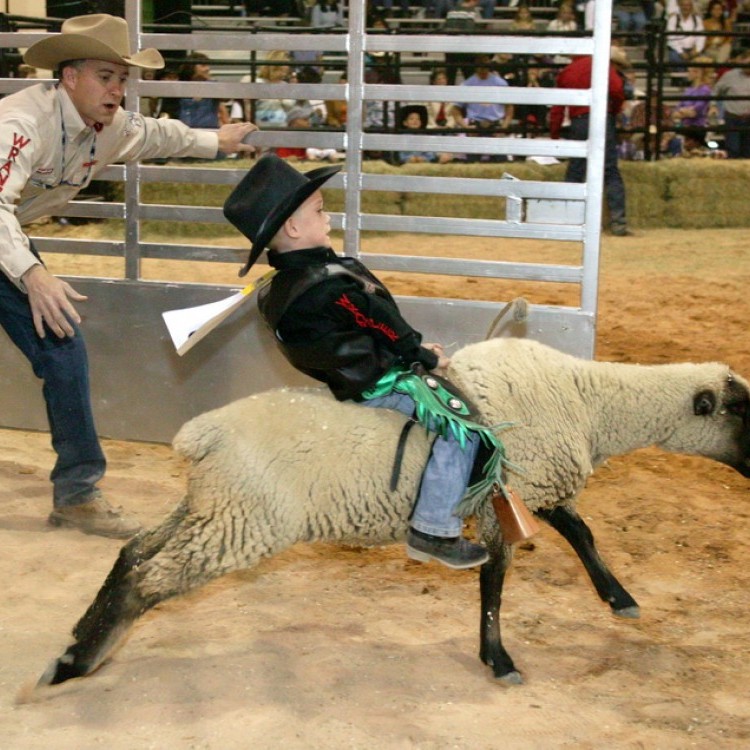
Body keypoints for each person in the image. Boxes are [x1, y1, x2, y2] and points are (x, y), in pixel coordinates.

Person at [0, 14, 256, 538]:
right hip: (9, 245)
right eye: (105, 76)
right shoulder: (20, 124)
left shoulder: (109, 126)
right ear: (69, 77)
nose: (117, 91)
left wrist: (218, 140)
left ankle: (76, 495)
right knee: (58, 334)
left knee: (61, 344)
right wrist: (33, 274)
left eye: (122, 78)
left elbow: (156, 134)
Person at [223, 155, 501, 570]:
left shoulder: (281, 285)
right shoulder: (328, 284)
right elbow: (383, 323)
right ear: (294, 229)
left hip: (352, 373)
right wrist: (422, 357)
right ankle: (434, 528)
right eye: (319, 210)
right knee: (461, 425)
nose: (329, 217)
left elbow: (357, 333)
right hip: (378, 382)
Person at [549, 47, 632, 236]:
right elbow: (617, 89)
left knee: (576, 169)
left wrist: (554, 135)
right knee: (610, 169)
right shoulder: (601, 64)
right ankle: (618, 223)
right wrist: (615, 110)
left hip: (579, 121)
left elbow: (557, 106)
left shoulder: (567, 72)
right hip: (603, 118)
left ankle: (569, 219)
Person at [449, 54, 514, 161]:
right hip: (475, 126)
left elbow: (510, 107)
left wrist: (504, 127)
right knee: (473, 163)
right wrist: (465, 127)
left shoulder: (500, 83)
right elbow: (455, 109)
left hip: (495, 126)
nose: (483, 69)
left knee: (501, 162)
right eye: (480, 66)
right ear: (475, 66)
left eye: (485, 65)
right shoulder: (467, 84)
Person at [177, 53, 230, 131]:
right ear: (191, 67)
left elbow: (226, 98)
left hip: (209, 132)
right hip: (185, 132)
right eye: (203, 65)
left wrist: (210, 83)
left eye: (208, 65)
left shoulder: (212, 86)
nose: (207, 69)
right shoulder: (181, 85)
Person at [712, 48, 750, 158]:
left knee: (748, 151)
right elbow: (716, 91)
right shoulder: (730, 76)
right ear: (742, 61)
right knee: (733, 149)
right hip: (733, 118)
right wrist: (713, 105)